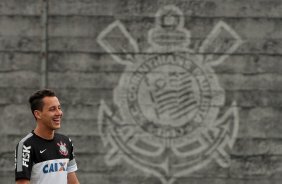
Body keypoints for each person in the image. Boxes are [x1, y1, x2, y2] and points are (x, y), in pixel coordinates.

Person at [15, 89, 80, 184]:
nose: (59, 113)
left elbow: (72, 181)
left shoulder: (66, 142)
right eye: (52, 109)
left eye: (59, 108)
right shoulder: (25, 146)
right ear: (38, 114)